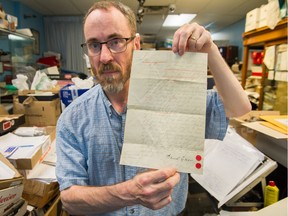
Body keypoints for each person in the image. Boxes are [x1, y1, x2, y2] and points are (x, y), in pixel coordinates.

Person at [56, 1, 251, 215]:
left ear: (136, 44)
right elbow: (69, 200)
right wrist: (129, 193)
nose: (104, 57)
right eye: (94, 45)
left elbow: (239, 108)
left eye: (116, 41)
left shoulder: (176, 95)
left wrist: (210, 51)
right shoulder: (72, 118)